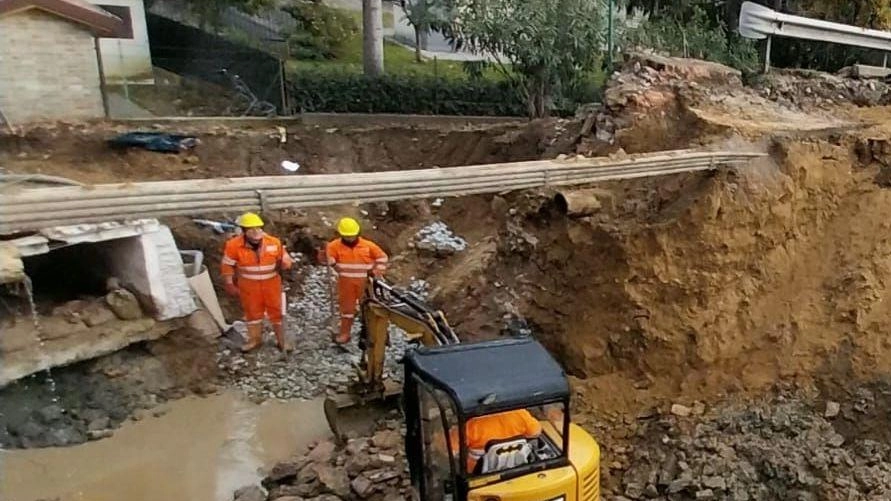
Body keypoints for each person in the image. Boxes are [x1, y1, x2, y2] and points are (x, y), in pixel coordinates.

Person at [220, 212, 293, 352]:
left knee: (277, 312)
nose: (256, 232)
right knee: (252, 314)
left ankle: (281, 341)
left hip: (271, 283)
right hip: (249, 286)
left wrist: (286, 262)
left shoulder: (274, 242)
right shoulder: (233, 245)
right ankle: (254, 340)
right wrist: (229, 282)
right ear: (244, 231)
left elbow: (286, 259)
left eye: (258, 228)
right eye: (251, 229)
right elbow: (227, 265)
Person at [324, 217, 388, 345]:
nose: (350, 239)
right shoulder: (333, 246)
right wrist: (328, 260)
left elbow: (382, 258)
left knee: (371, 308)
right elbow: (326, 259)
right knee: (347, 310)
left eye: (352, 236)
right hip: (346, 283)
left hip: (366, 283)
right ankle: (345, 334)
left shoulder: (368, 246)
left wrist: (377, 271)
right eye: (347, 236)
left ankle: (378, 334)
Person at [450, 408, 542, 473]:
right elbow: (536, 432)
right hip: (516, 464)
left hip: (477, 472)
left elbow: (451, 452)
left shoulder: (470, 425)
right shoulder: (520, 413)